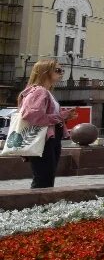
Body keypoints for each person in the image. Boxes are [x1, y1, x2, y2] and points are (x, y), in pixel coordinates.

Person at [16, 60, 73, 189]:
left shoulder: (46, 92)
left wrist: (64, 116)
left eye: (62, 70)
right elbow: (33, 115)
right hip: (43, 140)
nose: (61, 73)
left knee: (46, 177)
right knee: (43, 179)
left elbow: (43, 115)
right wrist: (61, 116)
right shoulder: (39, 91)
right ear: (45, 72)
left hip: (49, 140)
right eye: (57, 70)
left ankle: (42, 206)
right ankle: (36, 207)